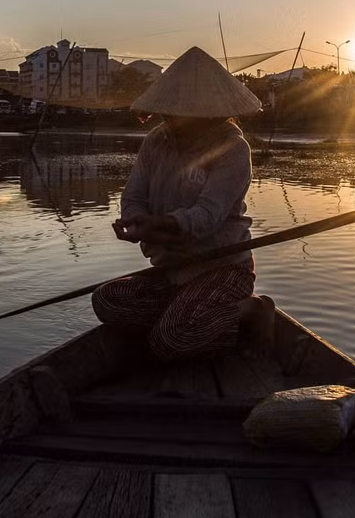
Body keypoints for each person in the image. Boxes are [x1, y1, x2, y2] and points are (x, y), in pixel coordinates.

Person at [92, 46, 275, 361]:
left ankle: (252, 309)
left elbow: (206, 217)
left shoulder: (232, 148)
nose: (166, 117)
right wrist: (135, 221)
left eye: (176, 111)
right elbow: (133, 196)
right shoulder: (156, 141)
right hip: (172, 269)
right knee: (107, 301)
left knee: (172, 342)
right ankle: (187, 317)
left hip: (223, 268)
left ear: (206, 112)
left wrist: (159, 225)